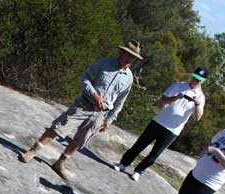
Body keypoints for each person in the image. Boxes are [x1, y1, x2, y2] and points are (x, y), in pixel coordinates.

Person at [19, 40, 142, 179]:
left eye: (133, 58)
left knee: (81, 140)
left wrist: (110, 119)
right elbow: (85, 79)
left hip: (101, 114)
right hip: (85, 104)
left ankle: (60, 163)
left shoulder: (129, 78)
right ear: (121, 52)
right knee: (59, 127)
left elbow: (121, 100)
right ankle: (33, 151)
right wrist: (95, 95)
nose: (130, 59)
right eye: (128, 55)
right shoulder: (103, 63)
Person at [114, 68, 207, 182]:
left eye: (198, 80)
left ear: (203, 81)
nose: (195, 81)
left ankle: (138, 171)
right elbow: (161, 101)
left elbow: (197, 117)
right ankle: (123, 163)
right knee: (139, 145)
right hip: (159, 121)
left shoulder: (201, 97)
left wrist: (197, 104)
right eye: (194, 77)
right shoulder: (178, 86)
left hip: (173, 130)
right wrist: (177, 97)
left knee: (154, 154)